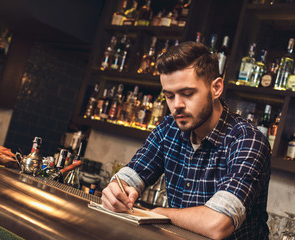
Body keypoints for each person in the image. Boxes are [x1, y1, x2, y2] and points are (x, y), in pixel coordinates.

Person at [101, 41, 271, 240]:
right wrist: (116, 190)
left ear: (216, 88)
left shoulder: (247, 140)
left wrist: (160, 213)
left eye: (187, 94)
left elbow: (218, 224)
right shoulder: (169, 129)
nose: (177, 105)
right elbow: (129, 178)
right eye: (169, 96)